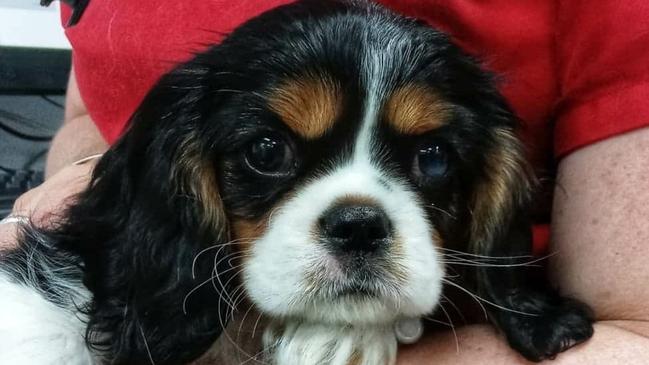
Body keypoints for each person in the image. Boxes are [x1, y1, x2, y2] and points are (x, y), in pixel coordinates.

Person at [2, 1, 648, 363]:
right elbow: (91, 117)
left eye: (429, 159)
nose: (359, 211)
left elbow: (635, 336)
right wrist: (81, 177)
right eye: (266, 151)